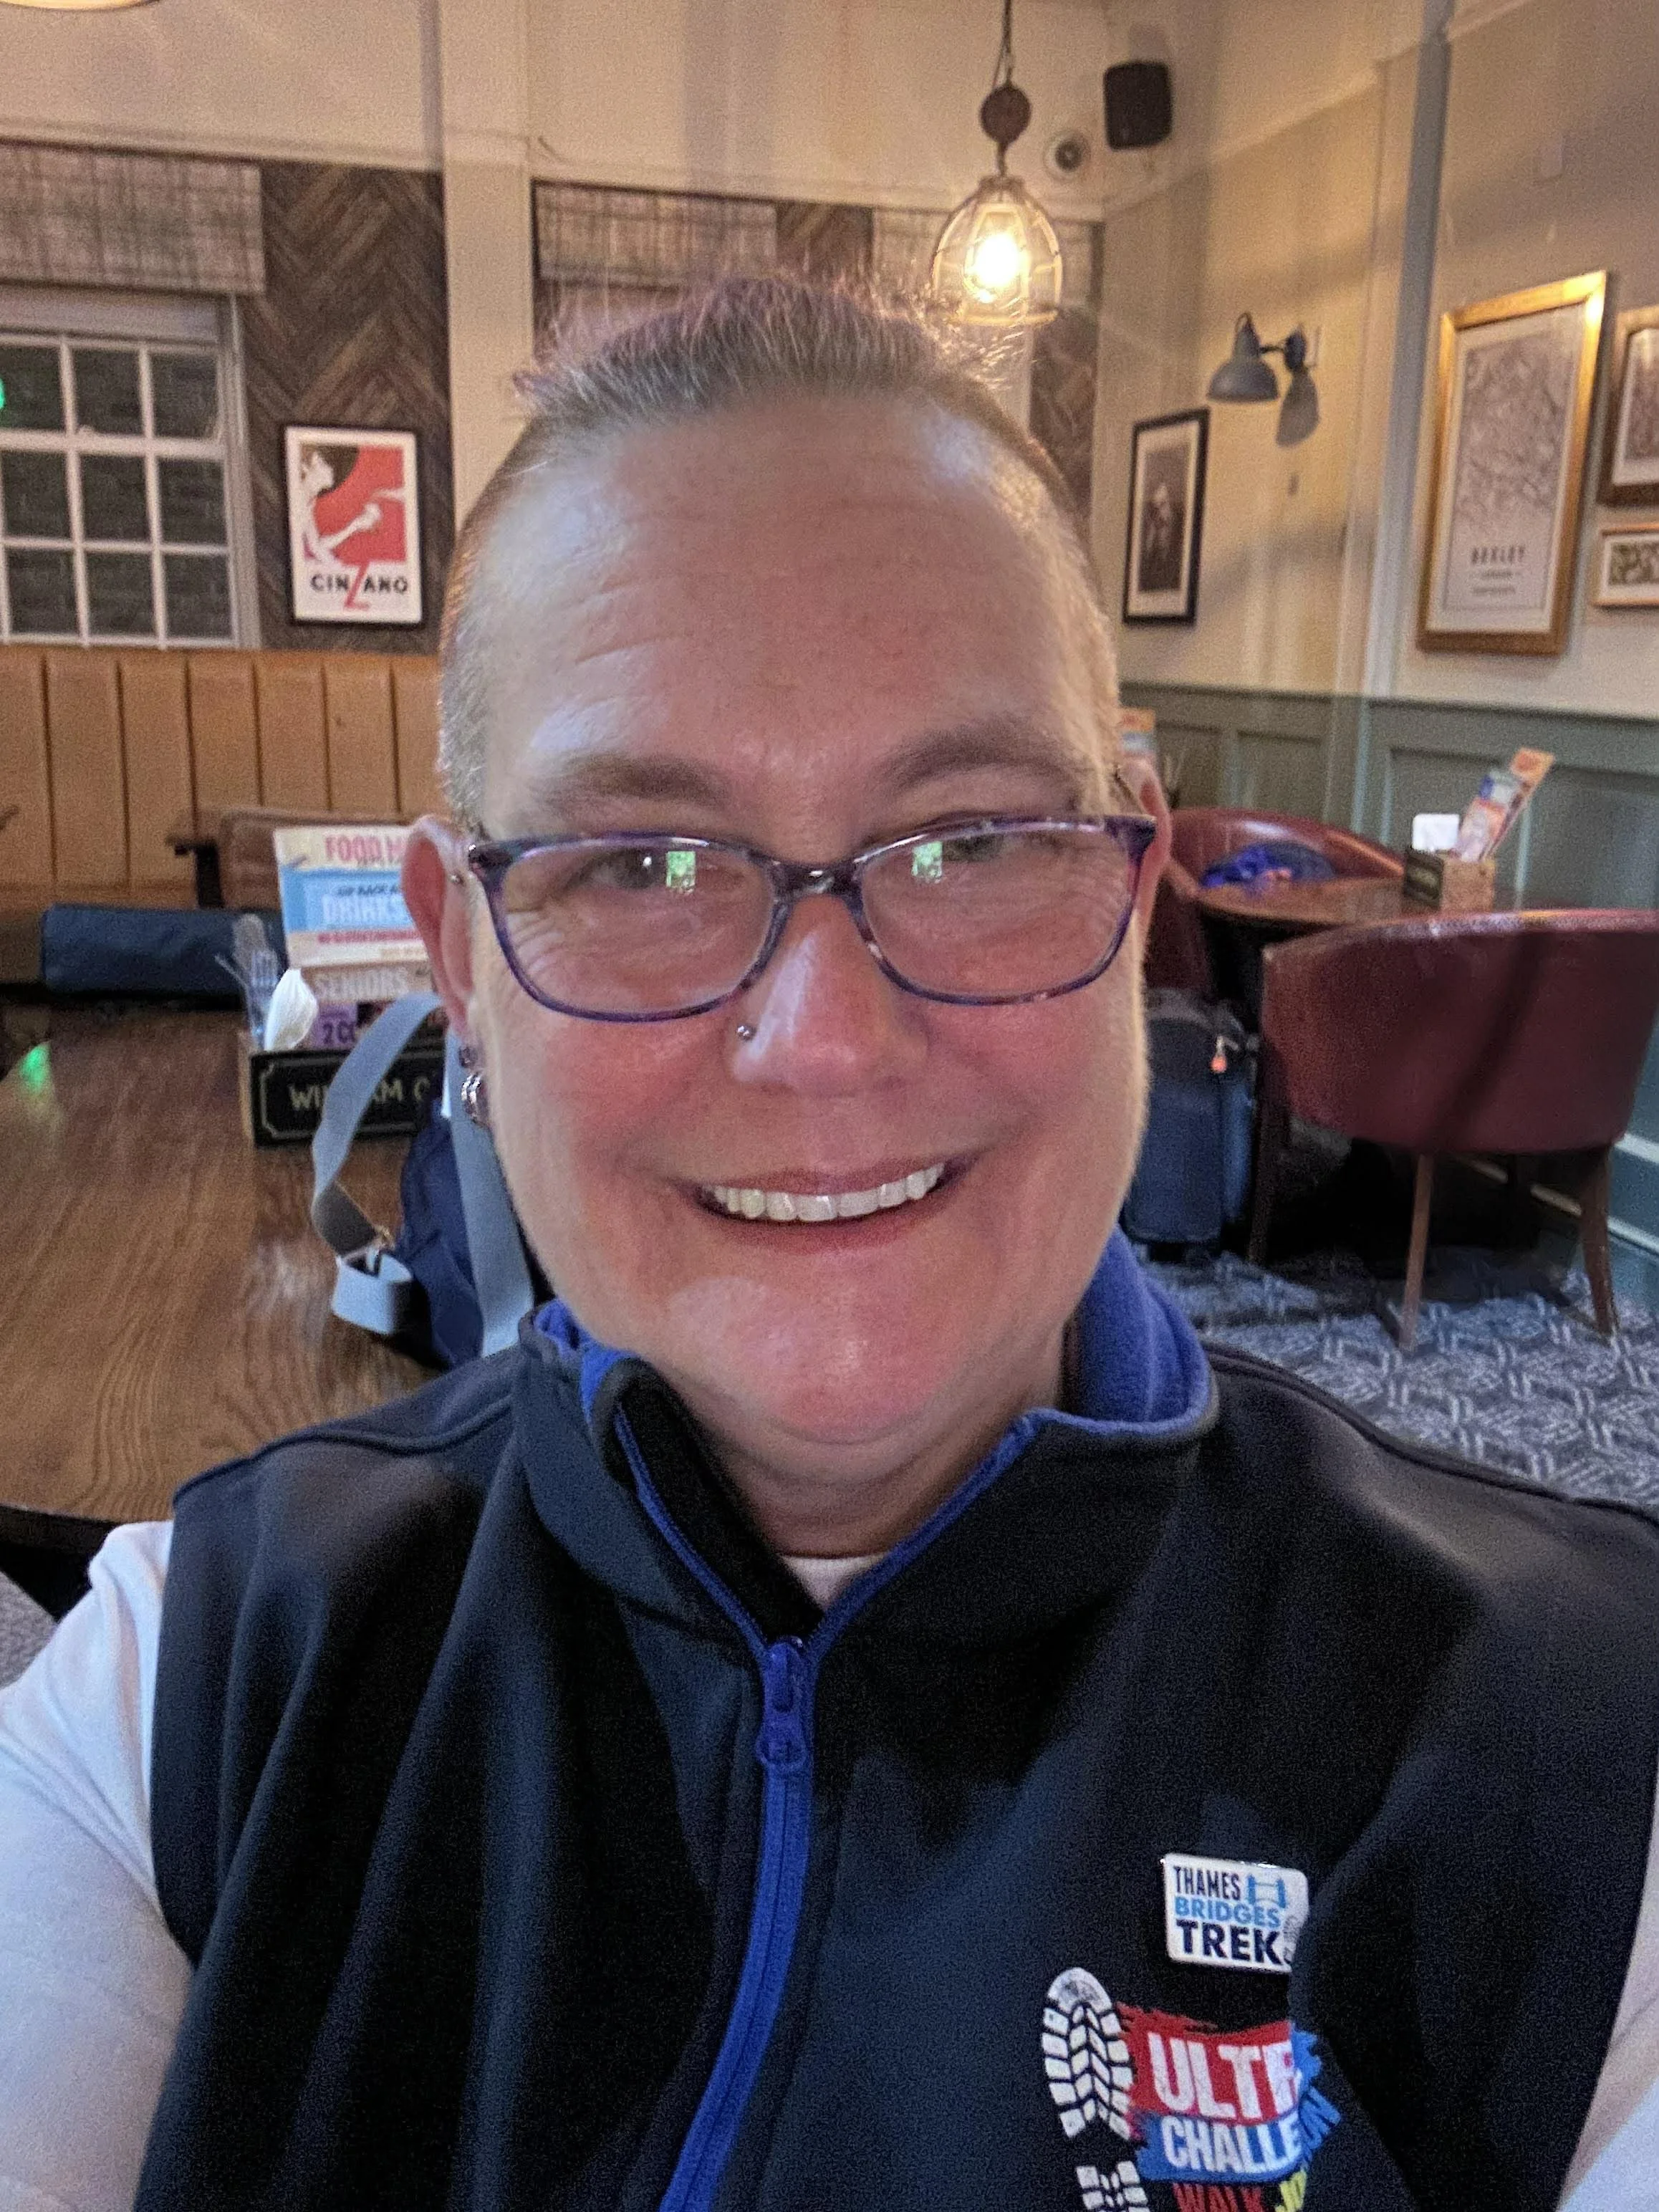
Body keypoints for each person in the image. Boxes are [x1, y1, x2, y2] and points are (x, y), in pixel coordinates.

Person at [1, 279, 1658, 2212]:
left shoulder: (1577, 1729)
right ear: (461, 956)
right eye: (638, 863)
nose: (820, 1044)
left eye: (963, 838)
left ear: (1131, 886)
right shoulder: (191, 1682)